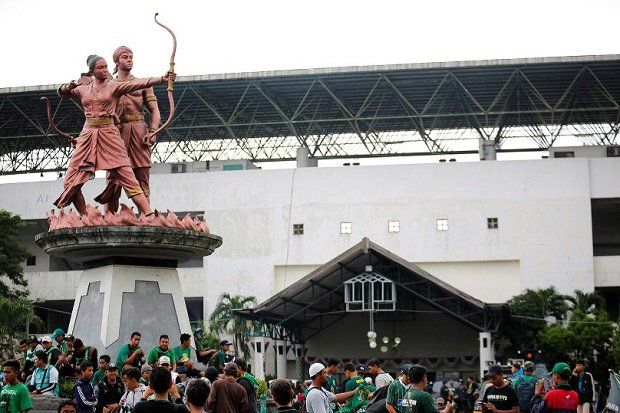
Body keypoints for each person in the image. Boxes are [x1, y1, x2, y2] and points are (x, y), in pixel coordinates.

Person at [55, 55, 174, 215]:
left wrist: (161, 79)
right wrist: (66, 87)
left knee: (127, 175)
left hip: (109, 133)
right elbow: (62, 92)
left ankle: (148, 213)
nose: (105, 70)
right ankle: (85, 218)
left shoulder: (114, 86)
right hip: (87, 135)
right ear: (92, 72)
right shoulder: (84, 88)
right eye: (100, 68)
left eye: (105, 67)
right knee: (70, 180)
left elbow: (137, 83)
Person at [99, 45, 161, 213]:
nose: (129, 59)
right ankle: (109, 217)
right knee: (113, 178)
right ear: (117, 61)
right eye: (125, 57)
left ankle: (146, 218)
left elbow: (155, 110)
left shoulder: (142, 84)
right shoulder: (108, 86)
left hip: (139, 131)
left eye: (131, 57)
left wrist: (153, 131)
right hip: (115, 134)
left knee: (142, 175)